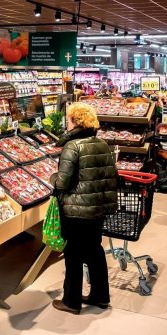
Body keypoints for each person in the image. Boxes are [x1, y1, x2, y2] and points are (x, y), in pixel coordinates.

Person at [50, 102, 118, 315]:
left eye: (68, 119)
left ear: (76, 121)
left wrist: (52, 177)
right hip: (96, 209)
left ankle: (71, 301)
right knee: (94, 251)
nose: (66, 123)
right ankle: (100, 296)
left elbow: (62, 183)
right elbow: (109, 178)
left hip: (76, 210)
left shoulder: (73, 146)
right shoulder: (102, 143)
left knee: (73, 254)